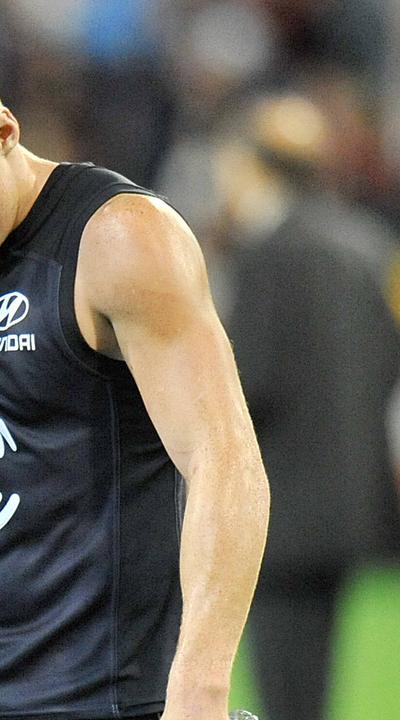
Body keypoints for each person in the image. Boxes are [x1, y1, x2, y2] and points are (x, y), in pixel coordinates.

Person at [0, 37, 270, 720]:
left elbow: (223, 460)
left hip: (92, 690)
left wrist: (201, 685)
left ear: (3, 130)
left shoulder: (120, 240)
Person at [209, 93, 400, 720]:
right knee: (313, 686)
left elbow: (249, 381)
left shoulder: (271, 254)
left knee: (284, 689)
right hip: (352, 502)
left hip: (283, 507)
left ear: (254, 167)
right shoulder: (366, 244)